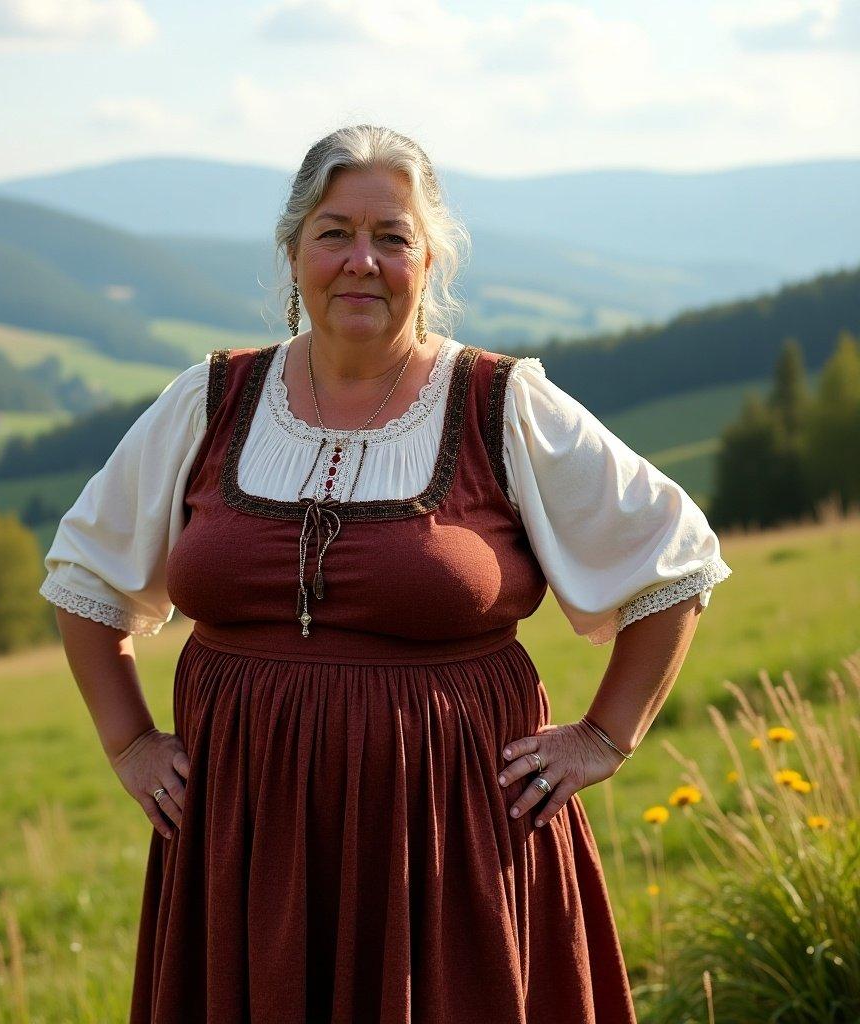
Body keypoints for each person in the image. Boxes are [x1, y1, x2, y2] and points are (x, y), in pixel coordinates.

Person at [40, 124, 732, 1024]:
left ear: (430, 259)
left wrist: (606, 736)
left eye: (392, 237)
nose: (361, 260)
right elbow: (86, 576)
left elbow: (673, 557)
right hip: (244, 837)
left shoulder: (498, 402)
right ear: (294, 254)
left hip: (451, 838)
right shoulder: (212, 400)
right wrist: (131, 743)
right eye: (334, 233)